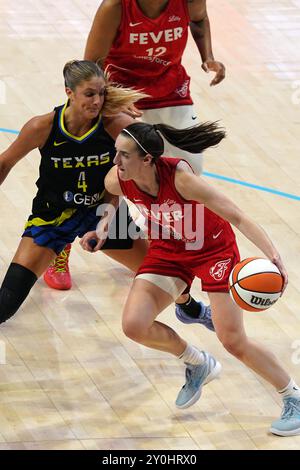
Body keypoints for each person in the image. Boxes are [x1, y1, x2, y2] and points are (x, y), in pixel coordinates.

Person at [81, 121, 300, 436]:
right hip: (169, 248)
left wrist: (274, 257)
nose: (116, 162)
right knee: (134, 325)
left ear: (147, 159)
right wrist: (103, 229)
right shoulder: (119, 178)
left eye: (124, 155)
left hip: (213, 250)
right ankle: (197, 362)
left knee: (233, 340)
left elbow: (236, 215)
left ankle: (292, 396)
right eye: (116, 153)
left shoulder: (182, 179)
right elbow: (110, 196)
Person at [0, 60, 212, 331]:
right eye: (90, 94)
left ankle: (191, 308)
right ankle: (60, 249)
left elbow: (143, 170)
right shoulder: (42, 127)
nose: (98, 101)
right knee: (5, 306)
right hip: (51, 218)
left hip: (103, 213)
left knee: (164, 273)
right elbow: (4, 163)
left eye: (102, 93)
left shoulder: (115, 126)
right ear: (69, 93)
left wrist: (119, 220)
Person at [49, 0, 225, 311]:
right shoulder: (115, 7)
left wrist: (208, 57)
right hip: (123, 97)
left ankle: (161, 241)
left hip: (170, 90)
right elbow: (91, 64)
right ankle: (58, 245)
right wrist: (111, 102)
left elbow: (199, 20)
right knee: (96, 178)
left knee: (188, 170)